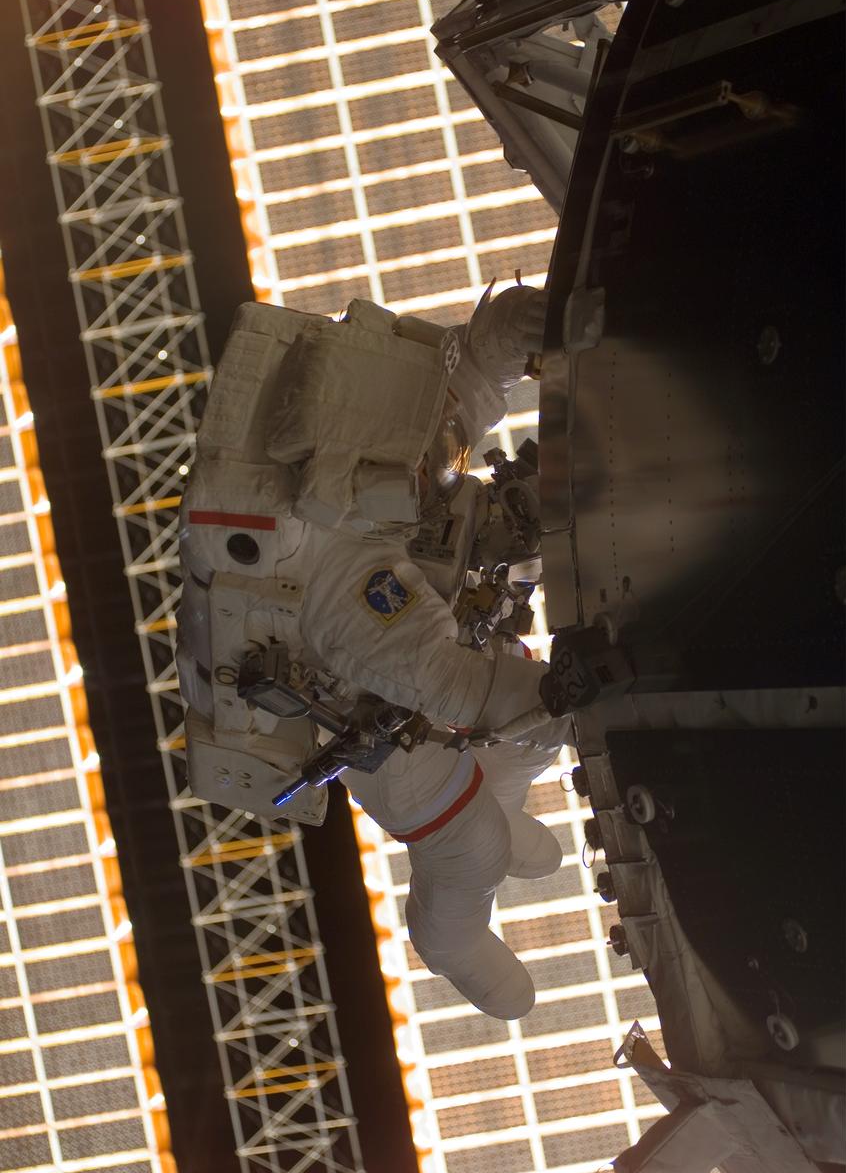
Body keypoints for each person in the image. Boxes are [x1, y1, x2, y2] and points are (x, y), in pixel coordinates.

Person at [178, 281, 570, 1020]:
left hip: (417, 643)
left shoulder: (397, 427)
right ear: (363, 483)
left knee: (528, 738)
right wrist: (579, 702)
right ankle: (453, 944)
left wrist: (537, 323)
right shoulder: (344, 577)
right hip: (369, 717)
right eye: (429, 468)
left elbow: (480, 360)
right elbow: (447, 682)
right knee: (476, 849)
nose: (443, 470)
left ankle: (498, 796)